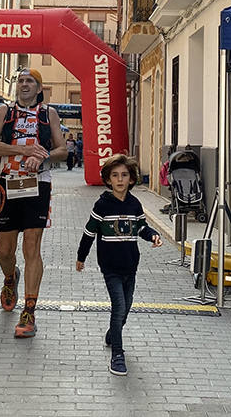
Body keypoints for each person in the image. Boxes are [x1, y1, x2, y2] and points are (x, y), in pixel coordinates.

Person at [0, 68, 66, 339]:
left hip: (37, 185)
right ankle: (10, 278)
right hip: (9, 183)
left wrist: (42, 157)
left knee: (32, 247)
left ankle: (29, 312)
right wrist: (22, 150)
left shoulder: (48, 113)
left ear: (39, 88)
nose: (24, 85)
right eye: (21, 81)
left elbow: (63, 150)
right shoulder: (4, 113)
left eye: (30, 81)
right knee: (5, 252)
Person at [76, 154, 161, 376]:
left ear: (131, 179)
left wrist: (153, 235)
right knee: (119, 307)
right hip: (110, 267)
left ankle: (112, 334)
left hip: (130, 266)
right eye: (115, 175)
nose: (120, 179)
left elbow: (142, 228)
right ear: (108, 179)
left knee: (127, 306)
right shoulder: (102, 204)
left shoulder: (134, 204)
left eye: (124, 175)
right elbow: (89, 232)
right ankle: (117, 354)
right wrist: (81, 257)